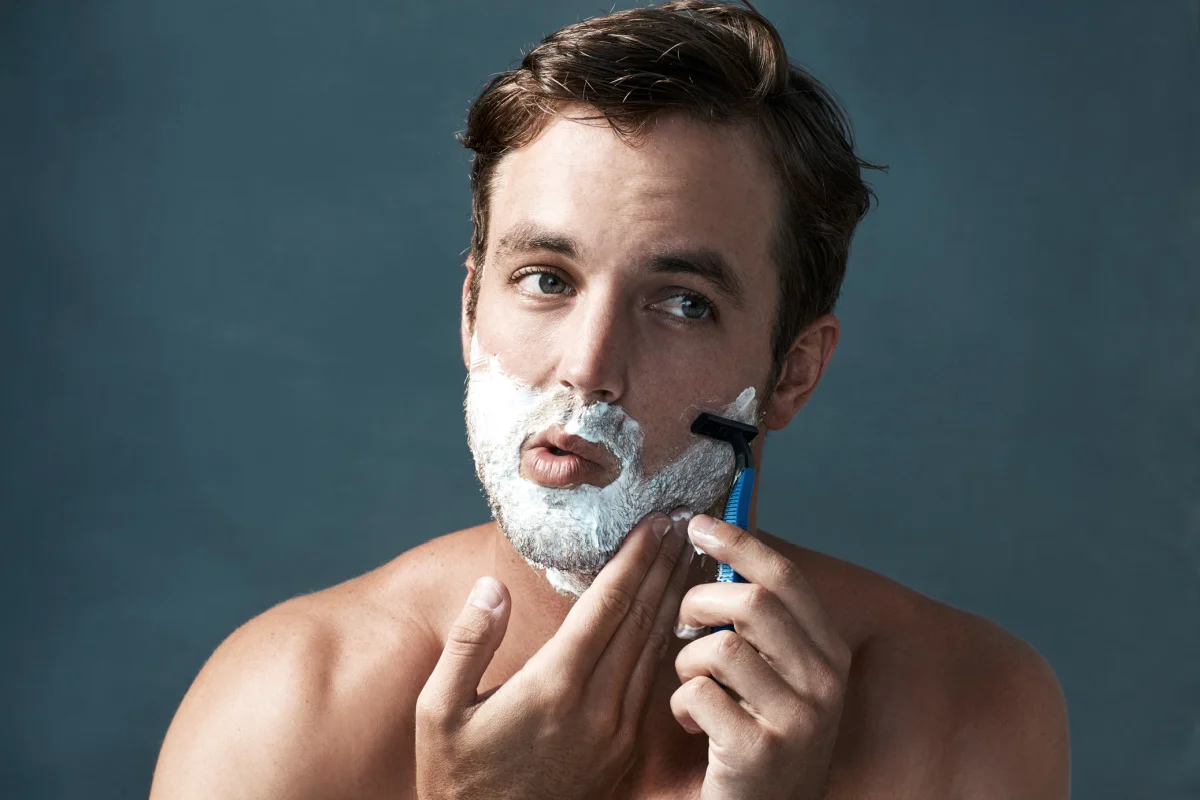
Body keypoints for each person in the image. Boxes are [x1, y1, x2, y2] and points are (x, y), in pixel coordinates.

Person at [149, 2, 1070, 797]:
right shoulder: (286, 707)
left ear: (790, 372)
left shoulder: (965, 708)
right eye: (546, 280)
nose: (588, 368)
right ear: (471, 312)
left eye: (682, 303)